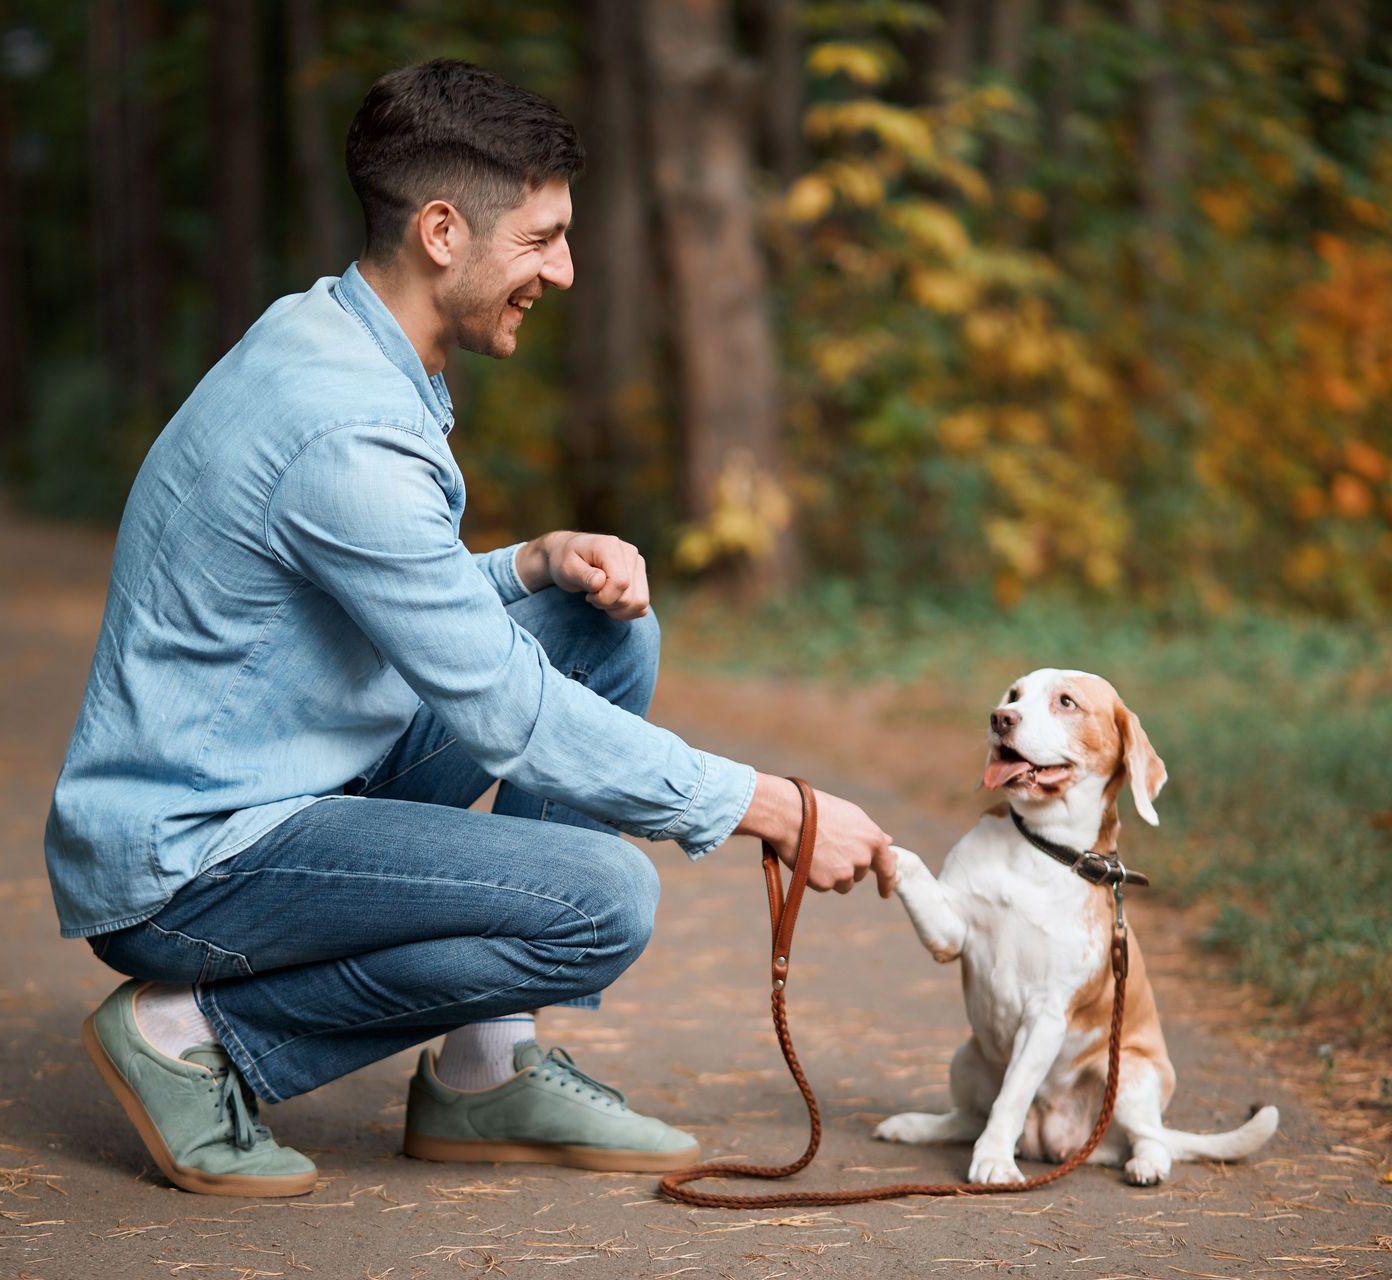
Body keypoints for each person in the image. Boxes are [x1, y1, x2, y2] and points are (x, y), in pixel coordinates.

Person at [44, 58, 899, 1198]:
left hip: (287, 777)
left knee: (597, 633)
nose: (566, 269)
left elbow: (375, 602)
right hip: (195, 859)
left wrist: (530, 563)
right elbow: (507, 712)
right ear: (443, 230)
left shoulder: (334, 335)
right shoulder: (343, 424)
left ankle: (486, 1067)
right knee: (603, 898)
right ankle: (192, 1030)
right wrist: (771, 807)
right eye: (542, 238)